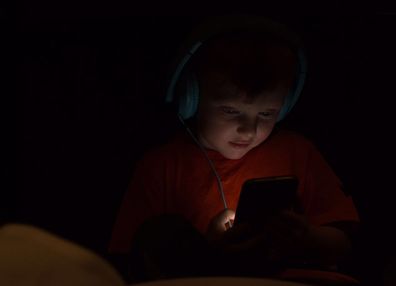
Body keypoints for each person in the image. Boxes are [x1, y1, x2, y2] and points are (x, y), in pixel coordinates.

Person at [108, 15, 360, 284]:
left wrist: (307, 238)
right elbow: (130, 262)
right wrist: (206, 253)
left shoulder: (298, 153)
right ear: (192, 97)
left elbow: (345, 241)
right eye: (230, 110)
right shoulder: (162, 167)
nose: (248, 130)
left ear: (284, 107)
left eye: (266, 113)